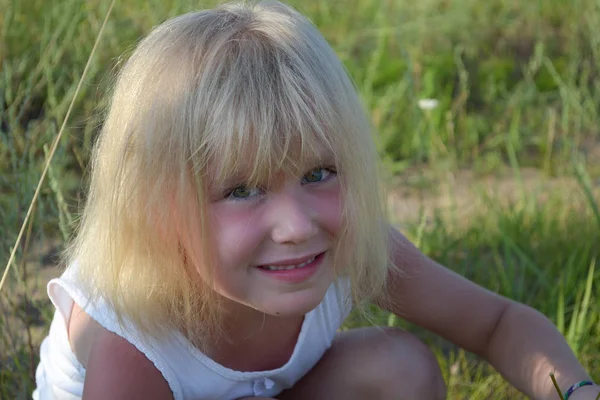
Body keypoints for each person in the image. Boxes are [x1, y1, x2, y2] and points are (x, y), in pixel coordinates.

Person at [33, 1, 598, 399]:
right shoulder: (133, 342)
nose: (296, 226)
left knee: (401, 369)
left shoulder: (348, 247)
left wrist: (576, 390)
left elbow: (496, 323)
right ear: (156, 211)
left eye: (320, 173)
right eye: (241, 190)